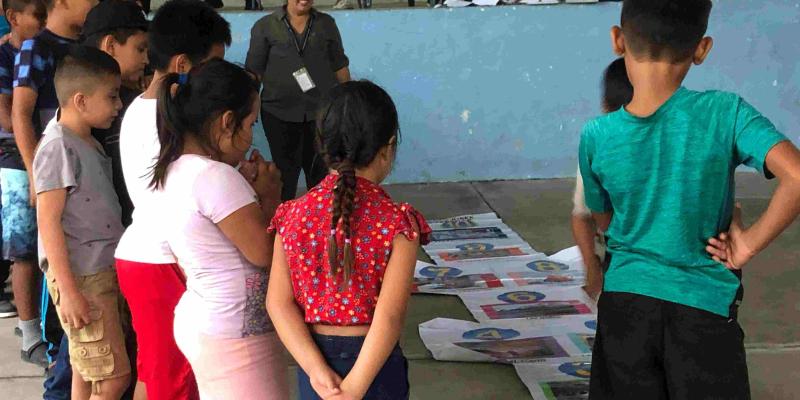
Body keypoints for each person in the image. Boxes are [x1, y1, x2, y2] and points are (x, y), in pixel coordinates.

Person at [579, 0, 800, 398]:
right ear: (701, 49)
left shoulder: (596, 136)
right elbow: (797, 176)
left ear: (617, 40)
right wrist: (747, 243)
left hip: (625, 307)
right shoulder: (725, 112)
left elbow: (605, 222)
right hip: (704, 310)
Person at [268, 80, 431, 400]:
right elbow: (389, 317)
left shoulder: (292, 215)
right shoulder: (397, 222)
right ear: (388, 148)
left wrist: (316, 371)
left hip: (315, 368)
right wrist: (356, 387)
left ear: (320, 143)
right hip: (376, 368)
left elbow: (278, 303)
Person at [151, 58, 287, 400]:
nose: (252, 135)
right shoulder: (215, 178)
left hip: (211, 319)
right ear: (227, 122)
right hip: (233, 334)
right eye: (251, 123)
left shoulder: (180, 168)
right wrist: (270, 197)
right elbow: (264, 253)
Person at [114, 1, 231, 398]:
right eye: (213, 64)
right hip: (164, 263)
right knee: (175, 380)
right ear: (183, 64)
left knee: (161, 373)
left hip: (153, 260)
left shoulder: (141, 110)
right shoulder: (166, 123)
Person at [34, 45, 129, 400]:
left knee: (88, 371)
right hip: (83, 279)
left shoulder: (86, 140)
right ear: (81, 100)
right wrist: (70, 291)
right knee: (113, 379)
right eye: (112, 96)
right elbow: (48, 222)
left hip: (98, 272)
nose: (119, 105)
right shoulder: (58, 146)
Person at [245, 0, 351, 201]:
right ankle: (284, 226)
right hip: (278, 113)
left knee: (320, 174)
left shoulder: (326, 24)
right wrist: (249, 108)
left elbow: (340, 67)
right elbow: (253, 73)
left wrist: (348, 105)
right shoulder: (265, 26)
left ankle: (318, 224)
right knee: (285, 175)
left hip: (320, 114)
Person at [0, 0, 45, 361]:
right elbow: (7, 116)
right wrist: (33, 150)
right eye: (39, 16)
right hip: (14, 157)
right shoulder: (3, 57)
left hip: (48, 150)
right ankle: (30, 334)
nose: (45, 23)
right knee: (25, 249)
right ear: (13, 18)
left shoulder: (47, 50)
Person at [82, 0, 148, 227]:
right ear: (110, 45)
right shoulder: (77, 115)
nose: (146, 59)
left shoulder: (137, 101)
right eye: (140, 49)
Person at [571, 57, 631, 299]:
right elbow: (582, 217)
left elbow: (585, 216)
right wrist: (593, 267)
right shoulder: (596, 149)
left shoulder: (598, 142)